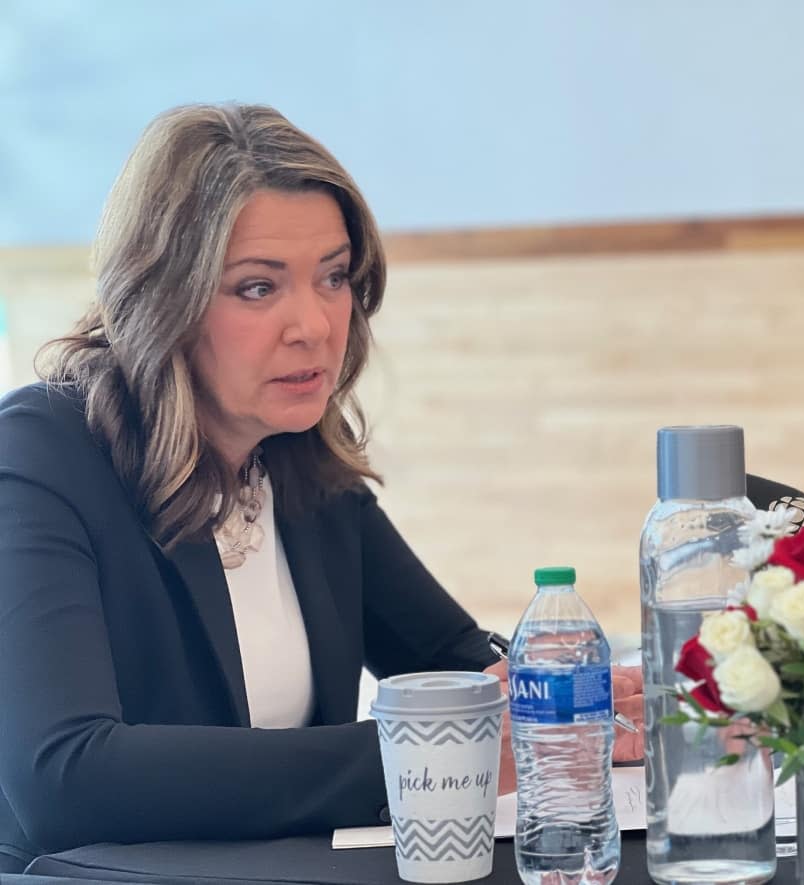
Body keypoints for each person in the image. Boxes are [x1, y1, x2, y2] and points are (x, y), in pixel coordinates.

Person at [0, 103, 644, 870]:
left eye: (333, 276)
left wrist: (584, 701)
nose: (313, 324)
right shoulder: (40, 453)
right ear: (162, 298)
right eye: (257, 288)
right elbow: (65, 778)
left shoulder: (301, 462)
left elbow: (456, 661)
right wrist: (420, 752)